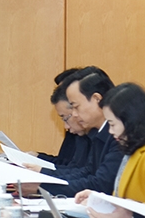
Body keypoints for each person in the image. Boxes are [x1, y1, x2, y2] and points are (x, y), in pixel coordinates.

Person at [80, 82, 145, 218]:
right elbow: (123, 199)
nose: (110, 131)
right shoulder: (136, 145)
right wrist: (100, 200)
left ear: (130, 120)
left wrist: (130, 217)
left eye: (112, 124)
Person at [44, 68, 124, 198]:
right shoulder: (98, 133)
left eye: (76, 107)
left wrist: (42, 184)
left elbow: (101, 185)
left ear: (97, 99)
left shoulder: (119, 134)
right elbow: (86, 171)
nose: (74, 114)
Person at [37, 68, 91, 168]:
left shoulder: (90, 133)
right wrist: (38, 157)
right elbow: (64, 163)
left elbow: (82, 174)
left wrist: (41, 171)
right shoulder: (76, 130)